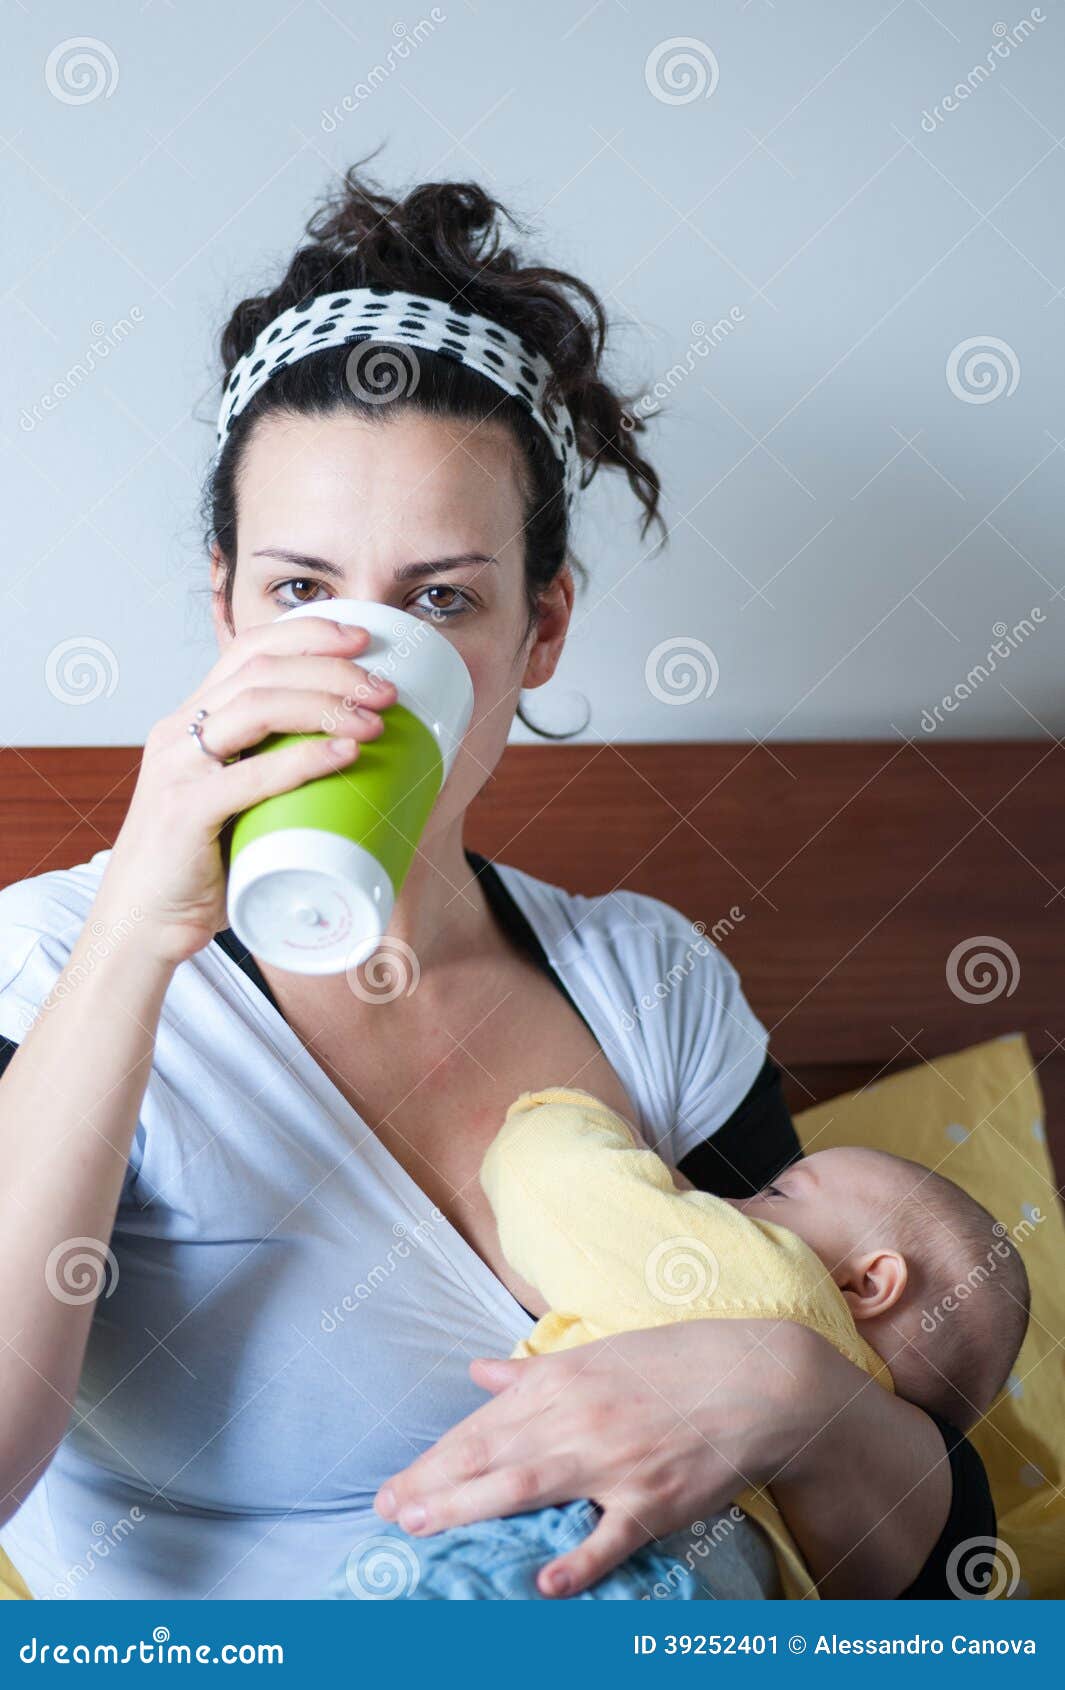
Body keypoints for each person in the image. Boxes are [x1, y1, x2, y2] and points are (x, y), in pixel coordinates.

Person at [0, 163, 994, 1602]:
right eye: (300, 592)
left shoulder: (645, 987)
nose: (359, 659)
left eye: (441, 598)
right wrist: (138, 941)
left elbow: (937, 1570)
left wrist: (792, 1386)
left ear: (541, 630)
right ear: (221, 607)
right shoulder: (47, 965)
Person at [334, 1087, 1027, 1600]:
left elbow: (556, 1183)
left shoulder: (767, 1281)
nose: (727, 1205)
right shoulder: (842, 1494)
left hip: (569, 1548)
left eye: (777, 1197)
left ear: (864, 1284)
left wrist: (556, 1111)